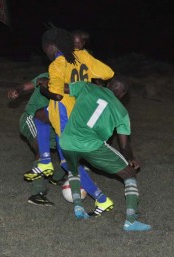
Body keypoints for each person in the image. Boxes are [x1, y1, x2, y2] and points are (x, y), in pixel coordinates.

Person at [25, 27, 115, 215]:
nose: (46, 55)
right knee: (41, 117)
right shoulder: (83, 57)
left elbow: (56, 95)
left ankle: (101, 198)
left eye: (46, 51)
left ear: (51, 47)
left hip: (65, 117)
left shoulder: (57, 64)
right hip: (80, 113)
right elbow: (108, 73)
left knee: (68, 162)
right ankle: (46, 162)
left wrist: (44, 86)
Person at [59, 75, 152, 231]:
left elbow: (62, 88)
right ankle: (130, 221)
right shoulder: (121, 111)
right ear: (123, 95)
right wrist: (131, 158)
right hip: (91, 145)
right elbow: (124, 144)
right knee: (129, 174)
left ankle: (78, 207)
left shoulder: (88, 87)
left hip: (67, 141)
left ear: (108, 84)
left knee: (74, 169)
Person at [9, 73, 113, 211]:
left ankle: (60, 179)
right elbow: (28, 85)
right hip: (35, 118)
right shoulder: (53, 75)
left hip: (56, 124)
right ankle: (37, 193)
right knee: (41, 150)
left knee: (70, 158)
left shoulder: (82, 88)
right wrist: (17, 90)